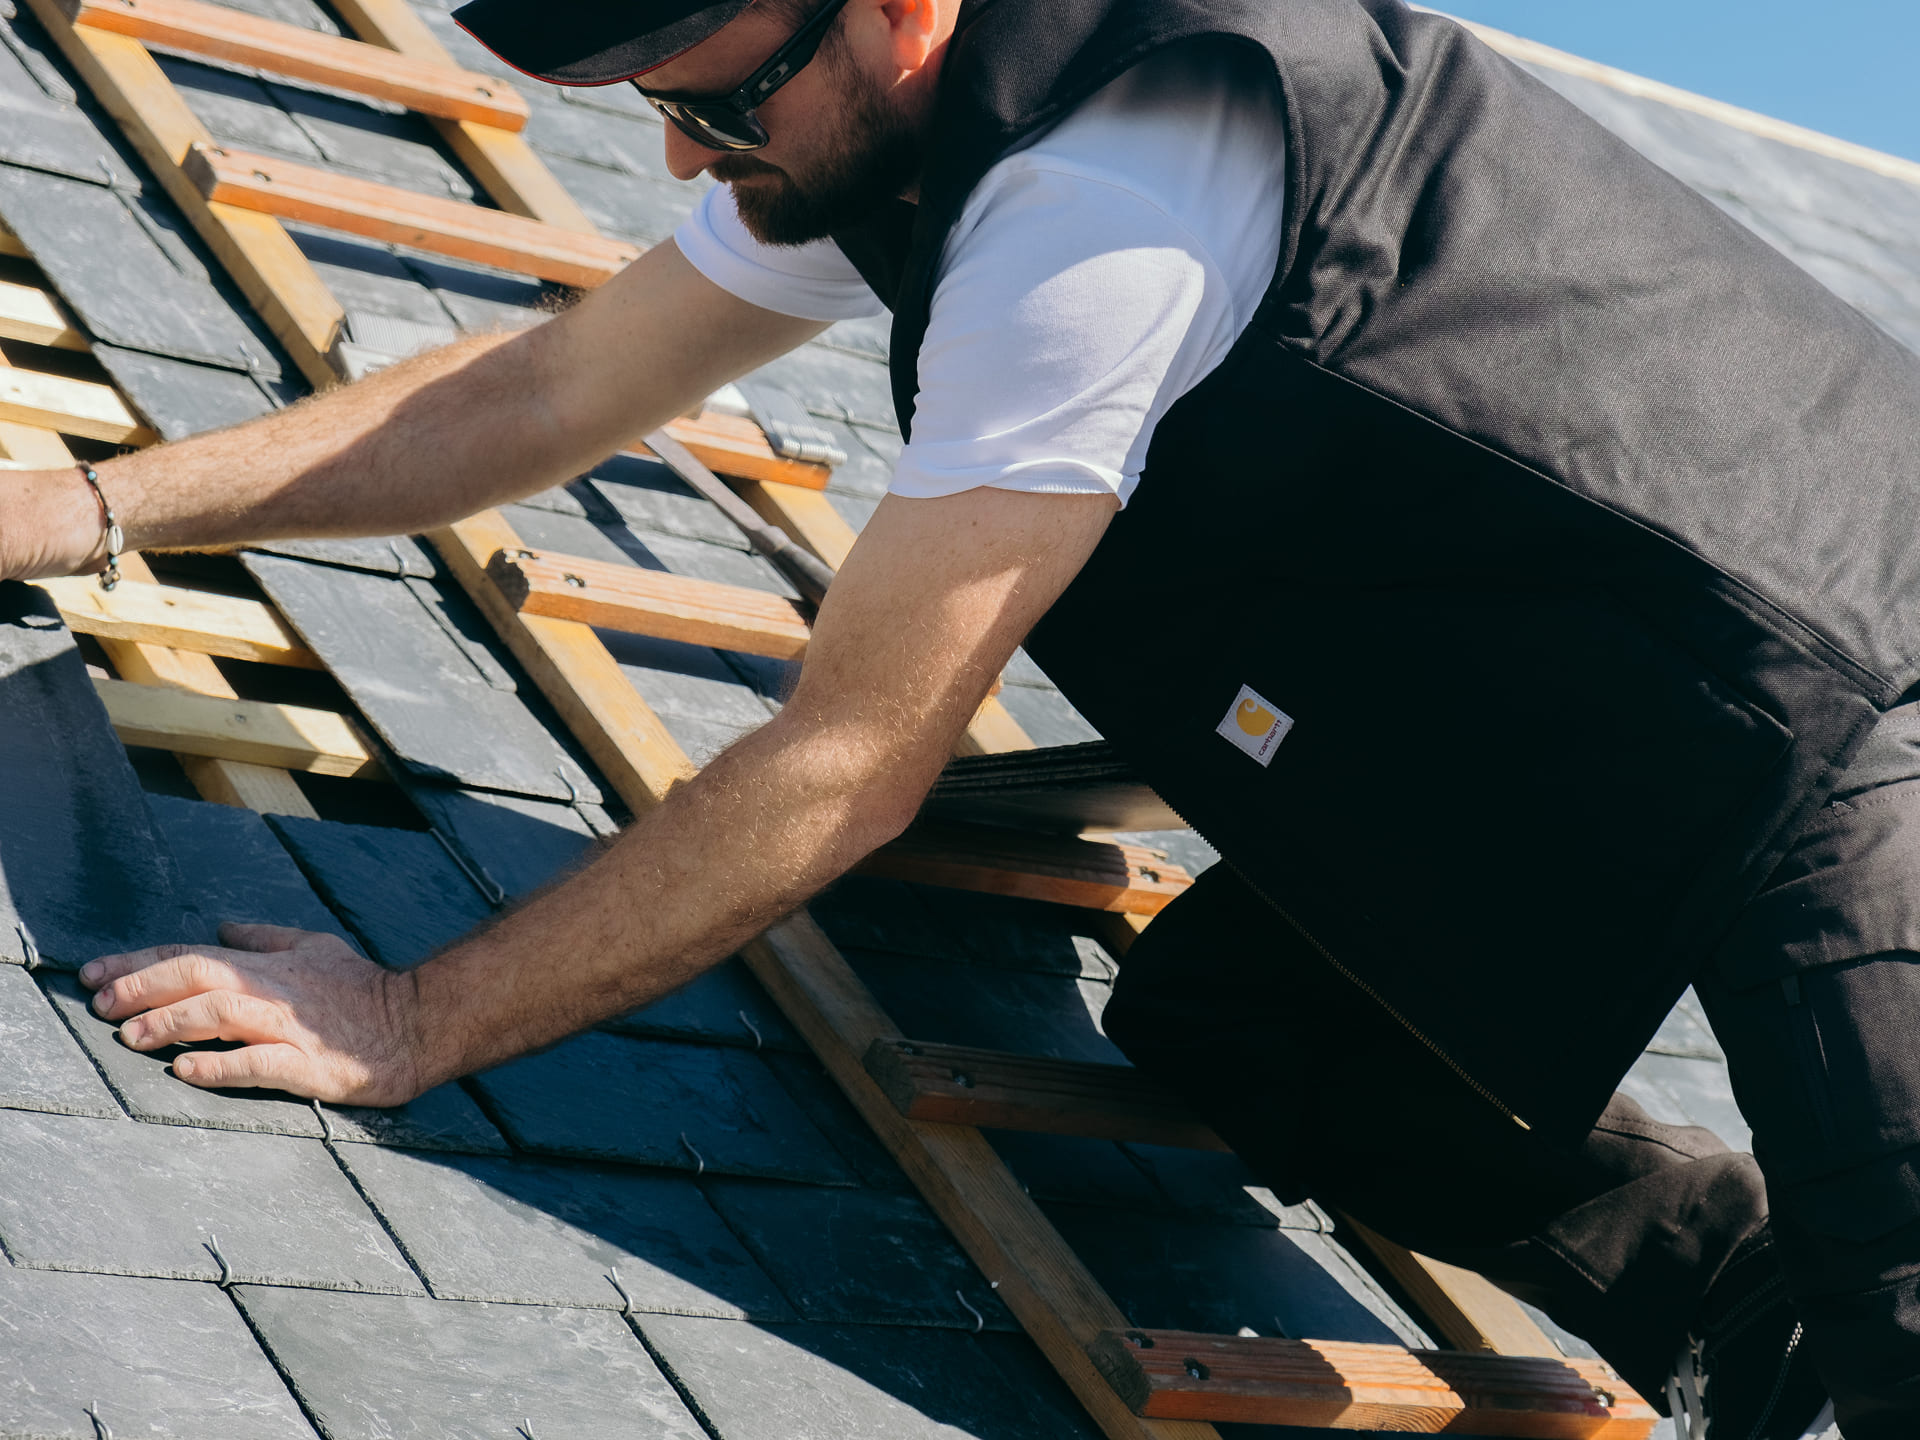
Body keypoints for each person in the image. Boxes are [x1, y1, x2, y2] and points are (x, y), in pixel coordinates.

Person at [3, 0, 1915, 1432]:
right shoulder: (888, 126)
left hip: (1861, 694)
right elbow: (540, 396)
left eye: (713, 103)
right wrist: (94, 503)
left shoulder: (1099, 202)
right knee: (1249, 1023)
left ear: (903, 12)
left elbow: (852, 757)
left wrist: (412, 1021)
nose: (678, 157)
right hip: (1565, 733)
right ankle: (1750, 1314)